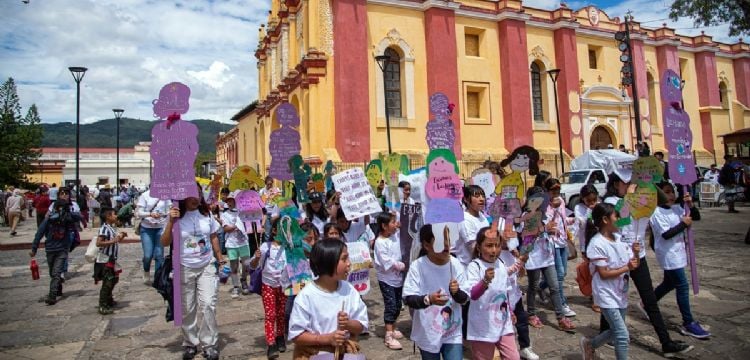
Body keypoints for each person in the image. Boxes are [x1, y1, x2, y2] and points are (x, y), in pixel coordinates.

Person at [601, 174, 693, 357]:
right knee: (613, 297)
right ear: (616, 183)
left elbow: (663, 199)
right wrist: (628, 196)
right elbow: (620, 220)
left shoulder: (642, 199)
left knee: (650, 300)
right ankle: (605, 334)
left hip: (638, 256)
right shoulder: (611, 201)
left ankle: (666, 343)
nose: (631, 184)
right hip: (618, 258)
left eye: (632, 181)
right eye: (626, 181)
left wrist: (647, 181)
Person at [160, 183, 225, 360]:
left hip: (206, 265)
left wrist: (219, 257)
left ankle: (210, 343)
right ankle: (190, 342)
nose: (195, 198)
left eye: (198, 194)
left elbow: (213, 236)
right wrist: (170, 222)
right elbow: (165, 242)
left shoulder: (207, 214)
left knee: (208, 304)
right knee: (187, 307)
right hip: (184, 266)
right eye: (191, 195)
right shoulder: (176, 217)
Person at [288, 239, 369, 359]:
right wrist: (327, 339)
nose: (349, 263)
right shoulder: (306, 296)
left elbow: (361, 325)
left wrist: (348, 323)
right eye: (344, 259)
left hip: (344, 353)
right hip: (313, 354)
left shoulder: (349, 290)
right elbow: (296, 335)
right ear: (329, 262)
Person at [580, 203, 640, 360]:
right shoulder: (597, 243)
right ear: (606, 220)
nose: (619, 220)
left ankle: (590, 344)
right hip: (606, 294)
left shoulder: (620, 239)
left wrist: (636, 254)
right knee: (622, 335)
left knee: (615, 330)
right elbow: (604, 274)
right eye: (617, 217)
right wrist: (626, 267)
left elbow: (633, 265)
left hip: (621, 292)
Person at [651, 181, 710, 338]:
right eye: (666, 192)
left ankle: (648, 303)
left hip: (679, 251)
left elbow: (695, 217)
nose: (670, 195)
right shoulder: (656, 213)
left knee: (669, 283)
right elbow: (666, 234)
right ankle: (688, 322)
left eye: (672, 192)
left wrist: (690, 205)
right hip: (668, 254)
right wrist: (683, 225)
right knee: (682, 286)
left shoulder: (677, 208)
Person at [403, 225, 469, 360]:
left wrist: (457, 293)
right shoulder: (418, 266)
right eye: (440, 240)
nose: (446, 244)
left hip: (452, 332)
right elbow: (408, 298)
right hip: (428, 333)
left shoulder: (456, 265)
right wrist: (428, 299)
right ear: (427, 245)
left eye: (448, 239)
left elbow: (465, 298)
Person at [461, 226, 523, 360]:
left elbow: (504, 291)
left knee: (513, 357)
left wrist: (510, 311)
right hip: (482, 324)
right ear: (478, 247)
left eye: (497, 245)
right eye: (489, 246)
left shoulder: (500, 263)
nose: (494, 250)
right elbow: (473, 294)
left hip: (503, 322)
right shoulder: (474, 266)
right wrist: (484, 282)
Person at [521, 186, 576, 331]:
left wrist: (553, 231)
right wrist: (545, 229)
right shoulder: (528, 215)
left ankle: (560, 317)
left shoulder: (545, 213)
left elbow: (551, 227)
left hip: (547, 255)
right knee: (533, 286)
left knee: (555, 286)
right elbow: (528, 234)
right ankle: (531, 313)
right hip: (533, 256)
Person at [30, 199, 81, 305]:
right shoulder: (49, 220)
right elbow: (39, 233)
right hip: (50, 249)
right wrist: (34, 248)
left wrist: (67, 213)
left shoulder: (67, 219)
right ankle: (58, 288)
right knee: (52, 272)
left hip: (62, 249)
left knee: (56, 272)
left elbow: (79, 217)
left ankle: (52, 296)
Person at [249, 217, 288, 359]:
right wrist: (256, 258)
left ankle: (280, 337)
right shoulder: (266, 247)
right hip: (268, 286)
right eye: (281, 229)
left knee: (281, 313)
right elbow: (252, 266)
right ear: (274, 230)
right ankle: (271, 343)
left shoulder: (289, 247)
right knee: (270, 315)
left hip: (284, 287)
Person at [540, 178, 576, 317]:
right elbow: (546, 221)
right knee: (559, 273)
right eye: (553, 191)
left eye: (558, 190)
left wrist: (571, 220)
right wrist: (552, 208)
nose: (556, 193)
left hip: (562, 240)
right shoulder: (544, 204)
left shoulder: (561, 201)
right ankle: (562, 303)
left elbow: (563, 218)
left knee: (563, 272)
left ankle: (542, 286)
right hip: (552, 241)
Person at [373, 212, 406, 350]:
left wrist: (402, 226)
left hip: (398, 277)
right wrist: (398, 265)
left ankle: (393, 327)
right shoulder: (380, 243)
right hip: (386, 279)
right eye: (392, 222)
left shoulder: (394, 236)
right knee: (391, 305)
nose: (395, 224)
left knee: (398, 304)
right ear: (384, 226)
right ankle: (388, 335)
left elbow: (404, 236)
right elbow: (385, 260)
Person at [573, 184, 601, 312]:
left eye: (594, 200)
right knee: (593, 271)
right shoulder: (579, 208)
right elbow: (582, 223)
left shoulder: (601, 205)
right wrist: (591, 211)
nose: (592, 203)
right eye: (588, 200)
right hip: (587, 243)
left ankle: (596, 295)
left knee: (599, 270)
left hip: (600, 242)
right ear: (582, 199)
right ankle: (595, 299)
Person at [135, 189, 170, 284]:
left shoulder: (165, 196)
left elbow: (169, 210)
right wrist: (150, 214)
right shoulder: (145, 195)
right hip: (147, 228)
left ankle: (157, 278)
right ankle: (146, 270)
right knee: (148, 255)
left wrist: (165, 215)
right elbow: (139, 212)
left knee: (159, 255)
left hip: (160, 227)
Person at [94, 207, 125, 315]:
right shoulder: (104, 229)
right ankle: (103, 305)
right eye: (114, 214)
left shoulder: (111, 228)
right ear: (108, 216)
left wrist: (120, 237)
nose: (116, 216)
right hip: (105, 260)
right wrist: (114, 240)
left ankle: (109, 299)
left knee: (113, 280)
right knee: (107, 282)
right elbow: (99, 243)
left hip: (112, 259)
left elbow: (115, 241)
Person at [221, 191, 252, 297]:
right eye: (228, 201)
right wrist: (237, 226)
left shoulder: (242, 212)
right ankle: (235, 286)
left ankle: (244, 280)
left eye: (231, 201)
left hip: (243, 242)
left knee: (246, 264)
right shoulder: (224, 214)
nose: (229, 203)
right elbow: (226, 229)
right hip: (231, 243)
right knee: (234, 266)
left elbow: (249, 224)